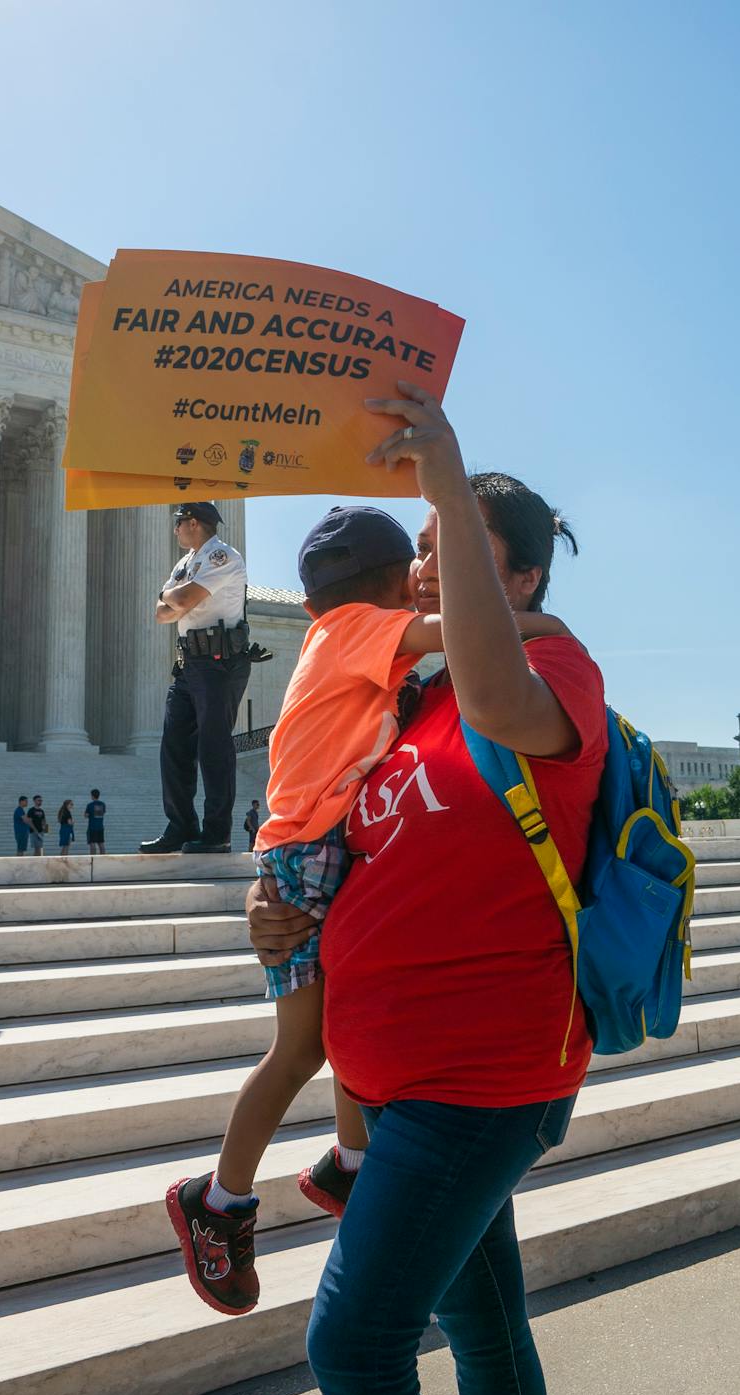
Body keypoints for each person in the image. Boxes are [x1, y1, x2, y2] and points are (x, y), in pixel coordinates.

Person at [244, 383, 600, 1395]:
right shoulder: (407, 702)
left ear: (525, 578)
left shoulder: (556, 666)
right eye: (421, 548)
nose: (421, 567)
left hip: (481, 1069)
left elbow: (502, 701)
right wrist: (286, 918)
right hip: (395, 1073)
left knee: (353, 1344)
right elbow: (350, 849)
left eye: (453, 543)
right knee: (483, 1323)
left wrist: (441, 469)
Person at [168, 505, 571, 1316]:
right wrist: (543, 622)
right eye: (419, 562)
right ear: (391, 588)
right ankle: (217, 1201)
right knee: (300, 1049)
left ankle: (349, 1167)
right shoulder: (359, 631)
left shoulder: (354, 645)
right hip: (305, 855)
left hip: (320, 850)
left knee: (341, 1024)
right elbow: (452, 633)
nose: (430, 579)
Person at [143, 501, 251, 855]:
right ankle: (181, 825)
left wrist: (170, 597)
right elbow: (162, 615)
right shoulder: (186, 563)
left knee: (214, 748)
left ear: (193, 522)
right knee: (173, 745)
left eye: (178, 522)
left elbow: (182, 599)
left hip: (219, 663)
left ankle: (216, 832)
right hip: (189, 663)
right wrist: (172, 601)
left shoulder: (223, 556)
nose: (174, 530)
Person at [85, 789, 107, 854]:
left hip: (92, 827)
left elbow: (86, 815)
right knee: (101, 843)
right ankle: (103, 858)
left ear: (92, 796)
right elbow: (104, 813)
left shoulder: (90, 805)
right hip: (100, 826)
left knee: (92, 843)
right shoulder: (103, 804)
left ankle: (93, 859)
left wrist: (89, 815)